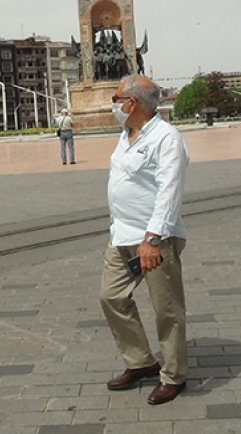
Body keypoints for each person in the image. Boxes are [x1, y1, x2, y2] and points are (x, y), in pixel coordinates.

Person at [100, 74, 190, 405]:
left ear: (132, 103)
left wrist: (152, 238)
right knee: (111, 297)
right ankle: (141, 362)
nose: (114, 104)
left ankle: (174, 375)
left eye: (116, 98)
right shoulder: (126, 135)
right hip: (121, 235)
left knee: (167, 309)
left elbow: (170, 191)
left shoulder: (167, 139)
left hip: (154, 238)